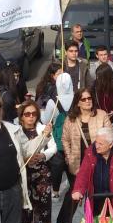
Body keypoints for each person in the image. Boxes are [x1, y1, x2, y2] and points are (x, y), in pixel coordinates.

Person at [58, 88, 110, 223]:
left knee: (98, 193)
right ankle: (64, 222)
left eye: (89, 98)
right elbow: (65, 140)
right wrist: (68, 157)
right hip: (77, 163)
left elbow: (109, 135)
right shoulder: (71, 119)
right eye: (84, 99)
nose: (88, 101)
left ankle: (97, 222)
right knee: (74, 194)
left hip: (99, 161)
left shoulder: (101, 115)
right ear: (78, 103)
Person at [16, 101, 56, 223]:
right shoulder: (16, 131)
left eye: (34, 114)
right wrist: (26, 157)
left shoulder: (42, 128)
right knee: (25, 209)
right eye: (27, 114)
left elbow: (53, 146)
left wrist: (43, 155)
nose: (31, 117)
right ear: (21, 117)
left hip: (41, 173)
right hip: (24, 174)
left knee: (43, 209)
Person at [42, 73, 73, 201]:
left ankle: (55, 192)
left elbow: (45, 121)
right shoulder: (77, 98)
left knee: (56, 167)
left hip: (58, 140)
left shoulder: (52, 102)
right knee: (74, 164)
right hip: (74, 139)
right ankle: (76, 188)